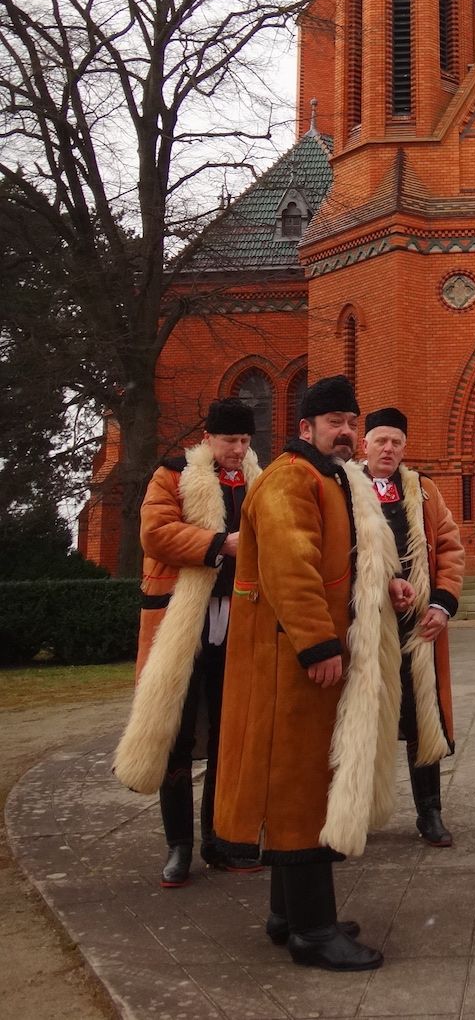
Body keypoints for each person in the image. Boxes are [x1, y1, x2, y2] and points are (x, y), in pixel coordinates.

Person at [211, 375, 413, 973]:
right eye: (334, 423)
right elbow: (290, 566)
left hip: (304, 657)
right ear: (305, 429)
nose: (347, 431)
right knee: (299, 788)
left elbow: (341, 558)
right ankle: (313, 933)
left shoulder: (331, 480)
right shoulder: (288, 480)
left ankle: (287, 915)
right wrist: (318, 644)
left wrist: (385, 584)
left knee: (303, 784)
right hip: (289, 661)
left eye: (351, 421)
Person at [113, 396, 263, 887]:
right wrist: (221, 544)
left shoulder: (261, 483)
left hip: (239, 618)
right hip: (182, 618)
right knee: (174, 731)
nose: (238, 450)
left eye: (244, 441)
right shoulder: (172, 475)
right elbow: (156, 534)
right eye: (229, 441)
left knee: (228, 731)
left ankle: (220, 840)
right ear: (209, 439)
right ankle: (179, 847)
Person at [363, 406, 465, 846]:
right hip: (364, 624)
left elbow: (450, 548)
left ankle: (430, 813)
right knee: (360, 719)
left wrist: (441, 604)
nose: (388, 449)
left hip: (417, 625)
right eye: (381, 440)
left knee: (423, 720)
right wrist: (380, 584)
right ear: (365, 443)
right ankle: (355, 812)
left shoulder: (423, 490)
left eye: (396, 443)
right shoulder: (343, 488)